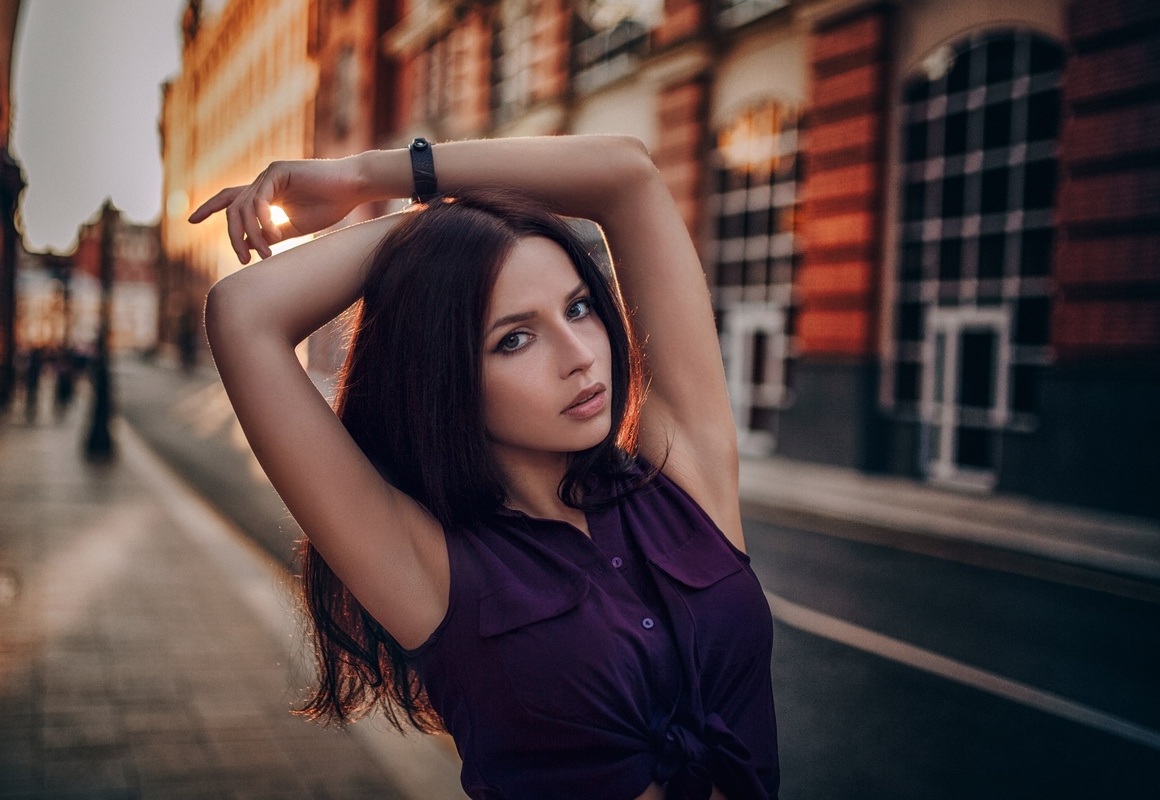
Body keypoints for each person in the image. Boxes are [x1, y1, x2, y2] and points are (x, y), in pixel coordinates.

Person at [191, 135, 779, 800]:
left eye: (578, 307)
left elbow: (628, 173)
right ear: (444, 374)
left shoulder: (683, 477)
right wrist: (442, 235)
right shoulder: (429, 567)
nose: (580, 354)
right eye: (515, 338)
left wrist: (365, 176)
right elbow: (243, 313)